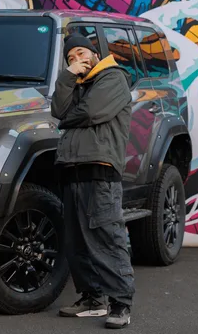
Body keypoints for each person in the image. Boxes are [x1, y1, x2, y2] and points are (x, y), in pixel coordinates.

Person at [50, 32, 134, 329]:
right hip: (72, 170)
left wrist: (65, 117)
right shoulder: (78, 83)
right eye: (71, 58)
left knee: (106, 237)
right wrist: (67, 77)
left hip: (100, 171)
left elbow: (90, 112)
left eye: (82, 54)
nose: (78, 60)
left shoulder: (113, 78)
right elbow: (58, 110)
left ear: (95, 53)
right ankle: (92, 298)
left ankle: (121, 302)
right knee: (76, 240)